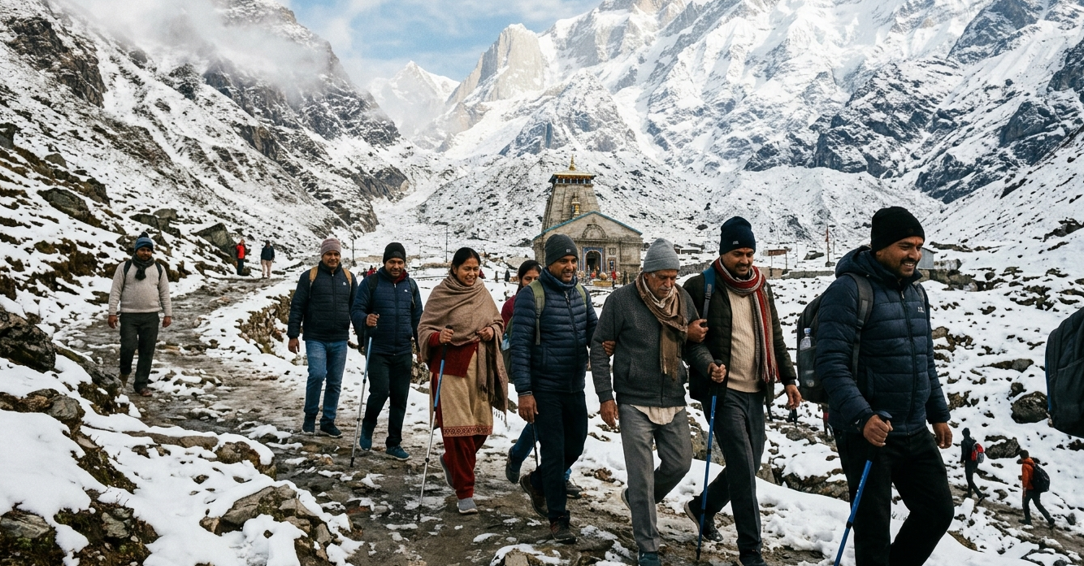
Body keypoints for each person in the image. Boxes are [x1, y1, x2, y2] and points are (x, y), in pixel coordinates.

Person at [816, 207, 953, 566]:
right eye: (905, 245)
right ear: (879, 248)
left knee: (937, 512)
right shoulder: (847, 291)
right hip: (867, 433)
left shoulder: (916, 294)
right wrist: (863, 418)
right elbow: (831, 365)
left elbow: (924, 358)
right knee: (874, 532)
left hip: (912, 428)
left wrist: (938, 414)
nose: (915, 254)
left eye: (919, 246)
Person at [591, 238, 720, 566]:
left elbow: (692, 345)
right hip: (633, 399)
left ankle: (639, 500)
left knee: (680, 463)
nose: (668, 284)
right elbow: (598, 347)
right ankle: (647, 547)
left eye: (673, 277)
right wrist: (606, 397)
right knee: (642, 473)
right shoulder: (620, 301)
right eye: (662, 277)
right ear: (646, 274)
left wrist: (707, 365)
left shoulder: (683, 301)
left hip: (673, 396)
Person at [680, 217, 800, 566]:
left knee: (748, 462)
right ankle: (751, 552)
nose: (745, 261)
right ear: (723, 252)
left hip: (756, 389)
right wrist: (707, 365)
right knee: (744, 469)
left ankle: (702, 507)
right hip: (721, 390)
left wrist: (789, 380)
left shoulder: (762, 287)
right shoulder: (701, 287)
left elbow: (774, 336)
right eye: (738, 254)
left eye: (749, 253)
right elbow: (690, 342)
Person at [510, 234, 597, 543]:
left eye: (574, 260)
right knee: (555, 451)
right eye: (565, 261)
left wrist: (608, 342)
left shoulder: (582, 295)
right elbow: (519, 347)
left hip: (574, 385)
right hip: (544, 388)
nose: (571, 266)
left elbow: (593, 333)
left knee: (576, 444)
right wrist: (524, 392)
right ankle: (558, 519)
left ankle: (536, 480)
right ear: (550, 263)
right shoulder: (531, 295)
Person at [418, 247, 508, 515]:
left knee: (480, 429)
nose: (471, 273)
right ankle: (464, 491)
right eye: (466, 268)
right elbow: (425, 327)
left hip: (479, 368)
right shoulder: (441, 294)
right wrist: (437, 338)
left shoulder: (481, 291)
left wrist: (492, 332)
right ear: (454, 269)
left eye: (475, 268)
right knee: (459, 431)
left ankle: (450, 462)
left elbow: (498, 321)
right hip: (449, 369)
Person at [501, 261, 583, 498]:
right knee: (545, 425)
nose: (534, 282)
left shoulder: (558, 297)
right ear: (519, 280)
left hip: (557, 375)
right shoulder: (513, 306)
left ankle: (559, 473)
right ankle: (541, 468)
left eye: (537, 277)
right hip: (531, 373)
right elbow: (512, 342)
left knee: (552, 426)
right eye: (528, 278)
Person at [351, 243, 422, 461]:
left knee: (400, 398)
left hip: (402, 350)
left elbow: (418, 317)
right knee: (380, 392)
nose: (396, 266)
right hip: (378, 349)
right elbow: (356, 309)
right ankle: (368, 426)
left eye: (400, 262)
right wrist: (365, 319)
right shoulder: (371, 282)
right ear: (385, 262)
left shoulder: (410, 285)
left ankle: (394, 443)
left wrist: (420, 347)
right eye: (392, 262)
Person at [287, 238, 357, 438]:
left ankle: (328, 422)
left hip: (340, 339)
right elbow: (297, 306)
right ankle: (309, 418)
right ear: (322, 255)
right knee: (317, 375)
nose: (333, 257)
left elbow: (356, 309)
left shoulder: (349, 278)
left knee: (335, 382)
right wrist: (293, 335)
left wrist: (363, 333)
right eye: (329, 254)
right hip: (315, 337)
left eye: (336, 254)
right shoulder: (310, 276)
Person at [108, 233, 172, 397]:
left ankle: (141, 384)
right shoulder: (125, 267)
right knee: (128, 347)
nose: (146, 253)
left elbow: (164, 292)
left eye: (148, 250)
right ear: (136, 250)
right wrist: (112, 312)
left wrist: (167, 314)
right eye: (142, 250)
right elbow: (115, 291)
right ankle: (123, 375)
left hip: (151, 316)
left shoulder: (159, 268)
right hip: (129, 316)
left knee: (147, 351)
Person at [1019, 450, 1054, 527]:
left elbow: (1026, 479)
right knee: (1038, 504)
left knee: (1025, 504)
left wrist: (1024, 490)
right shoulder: (1032, 463)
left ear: (1021, 457)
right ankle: (1049, 518)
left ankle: (1028, 520)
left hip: (1029, 489)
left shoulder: (1025, 465)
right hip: (1036, 488)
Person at [960, 428, 985, 501]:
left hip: (969, 462)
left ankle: (980, 494)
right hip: (975, 462)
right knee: (970, 478)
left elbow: (964, 454)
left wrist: (961, 460)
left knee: (969, 479)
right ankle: (969, 494)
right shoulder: (973, 441)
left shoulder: (964, 442)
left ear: (963, 434)